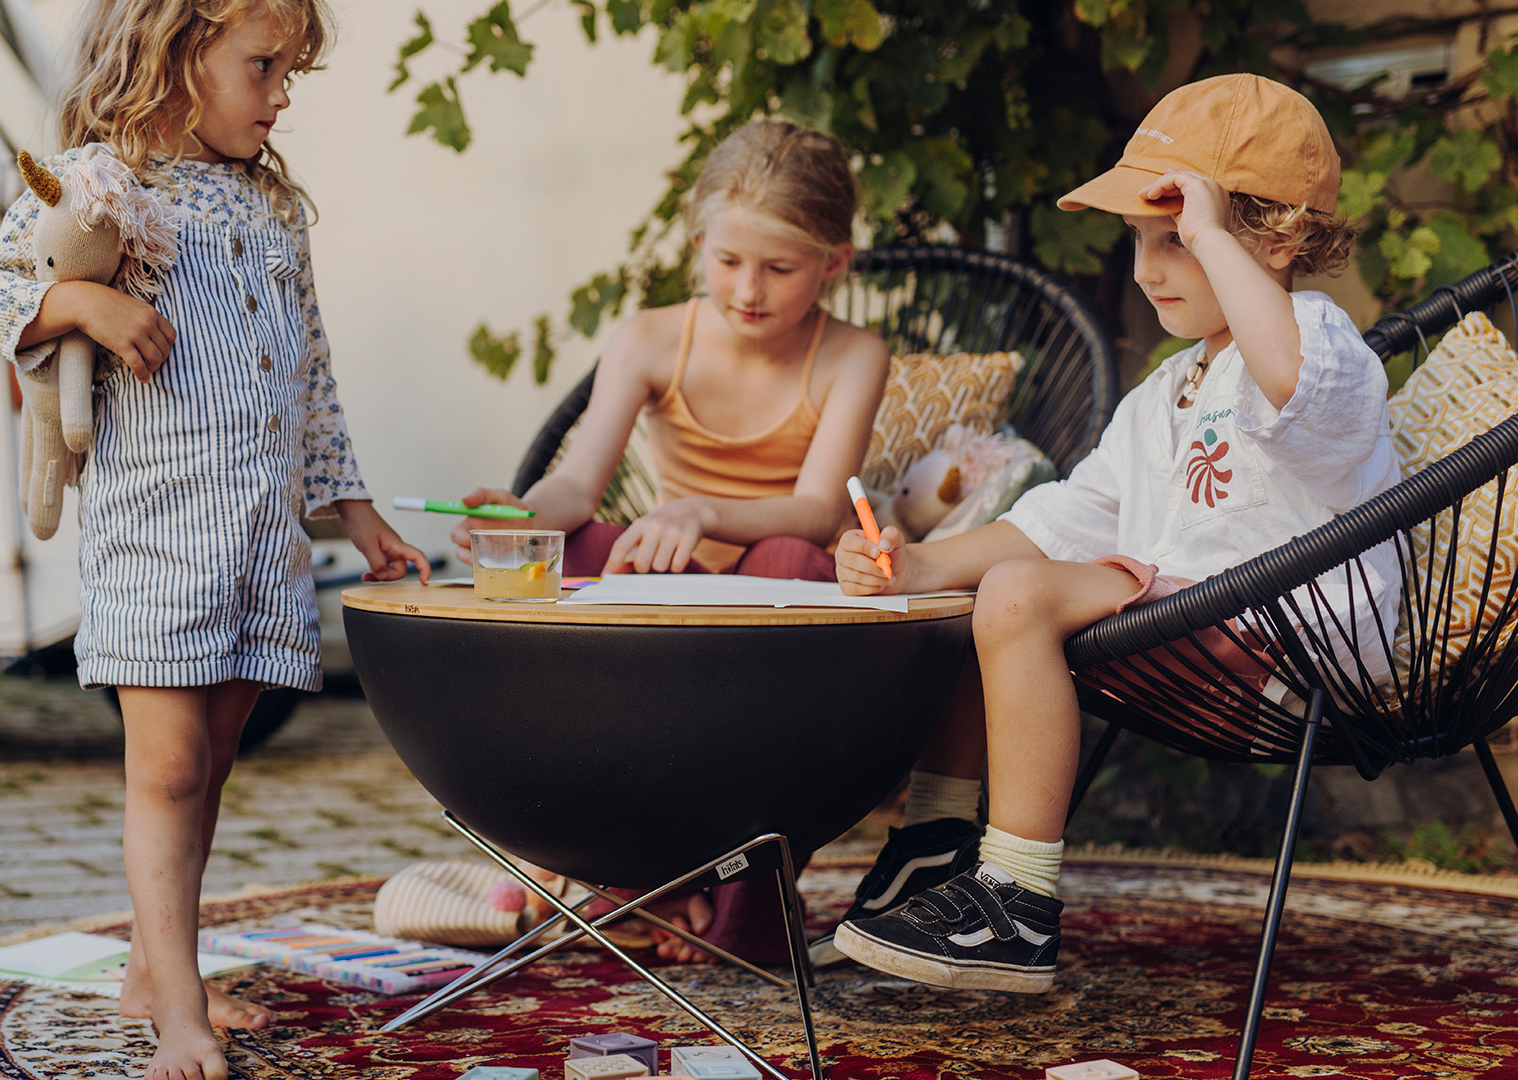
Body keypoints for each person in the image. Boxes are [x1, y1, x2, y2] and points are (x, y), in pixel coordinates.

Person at [828, 73, 1400, 993]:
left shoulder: (1323, 344)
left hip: (1297, 641)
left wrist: (1214, 232)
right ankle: (938, 844)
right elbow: (1062, 519)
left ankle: (1017, 900)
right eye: (1142, 239)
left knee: (1018, 594)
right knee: (973, 588)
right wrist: (915, 561)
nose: (1147, 268)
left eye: (1175, 237)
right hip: (1200, 622)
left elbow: (1293, 385)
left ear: (1281, 236)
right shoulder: (1166, 392)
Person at [0, 2, 429, 1077]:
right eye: (264, 65)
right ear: (176, 53)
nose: (283, 91)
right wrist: (80, 302)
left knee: (207, 763)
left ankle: (157, 973)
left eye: (291, 70)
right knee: (163, 770)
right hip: (157, 535)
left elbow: (313, 373)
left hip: (261, 541)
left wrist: (354, 506)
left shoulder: (270, 206)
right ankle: (179, 1017)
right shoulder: (104, 182)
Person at [453, 119, 891, 965]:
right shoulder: (653, 337)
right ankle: (639, 868)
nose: (748, 290)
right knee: (575, 547)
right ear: (698, 243)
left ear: (834, 262)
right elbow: (578, 485)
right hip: (667, 598)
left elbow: (815, 512)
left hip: (778, 604)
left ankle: (749, 882)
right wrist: (523, 515)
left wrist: (701, 512)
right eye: (728, 262)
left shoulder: (852, 355)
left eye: (779, 268)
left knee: (797, 568)